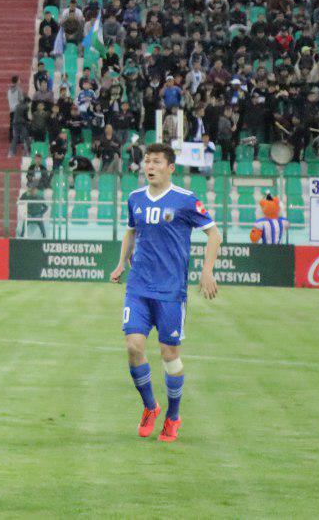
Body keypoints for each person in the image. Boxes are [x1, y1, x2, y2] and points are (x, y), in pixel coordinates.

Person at [110, 143, 221, 443]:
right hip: (139, 287)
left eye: (157, 162)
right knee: (134, 347)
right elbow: (131, 231)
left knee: (169, 355)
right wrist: (121, 263)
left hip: (171, 292)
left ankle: (173, 416)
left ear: (171, 167)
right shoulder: (135, 198)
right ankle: (150, 406)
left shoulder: (186, 200)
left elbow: (214, 234)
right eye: (147, 161)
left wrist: (207, 270)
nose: (150, 166)